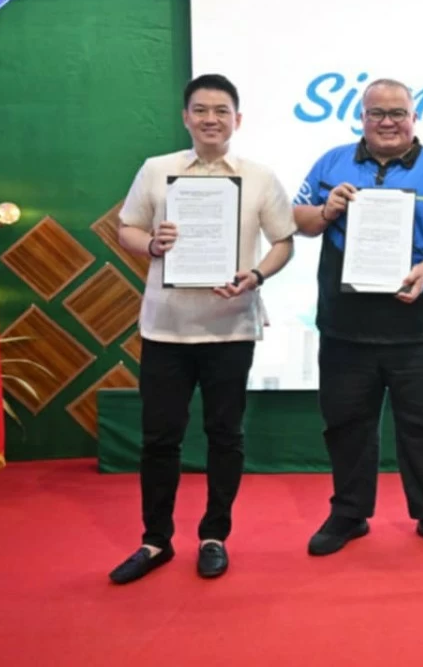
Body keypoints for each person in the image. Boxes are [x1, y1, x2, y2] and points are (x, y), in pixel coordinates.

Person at [109, 74, 296, 584]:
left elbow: (283, 242)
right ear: (185, 117)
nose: (210, 119)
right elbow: (126, 227)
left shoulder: (258, 176)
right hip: (165, 329)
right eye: (200, 110)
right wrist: (150, 244)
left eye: (221, 110)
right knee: (159, 439)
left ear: (238, 119)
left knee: (224, 435)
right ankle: (155, 541)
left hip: (230, 328)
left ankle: (214, 536)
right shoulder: (157, 170)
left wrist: (256, 275)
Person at [293, 78, 423, 556]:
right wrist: (325, 210)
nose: (388, 122)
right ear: (362, 117)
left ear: (414, 118)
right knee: (345, 422)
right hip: (345, 326)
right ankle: (349, 513)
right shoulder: (331, 163)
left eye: (398, 113)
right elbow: (299, 218)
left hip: (421, 324)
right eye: (377, 113)